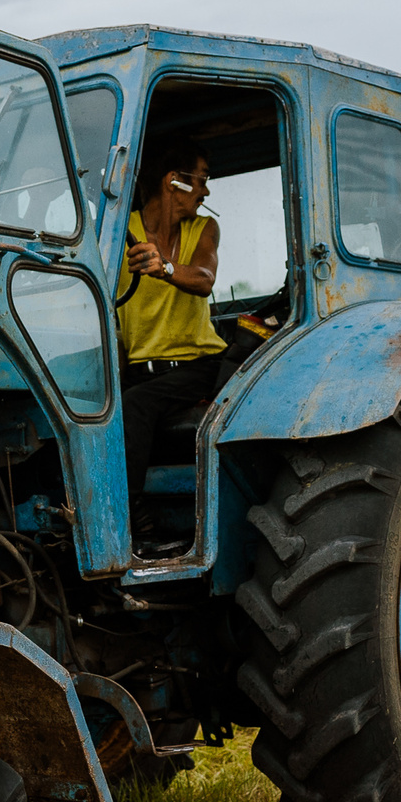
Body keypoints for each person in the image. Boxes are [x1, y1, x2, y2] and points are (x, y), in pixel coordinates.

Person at [116, 138, 233, 524]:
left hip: (195, 366)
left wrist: (163, 267)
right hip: (140, 370)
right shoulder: (119, 232)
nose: (206, 190)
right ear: (173, 180)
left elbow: (204, 278)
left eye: (204, 180)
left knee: (134, 405)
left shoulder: (205, 228)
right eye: (200, 180)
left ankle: (132, 520)